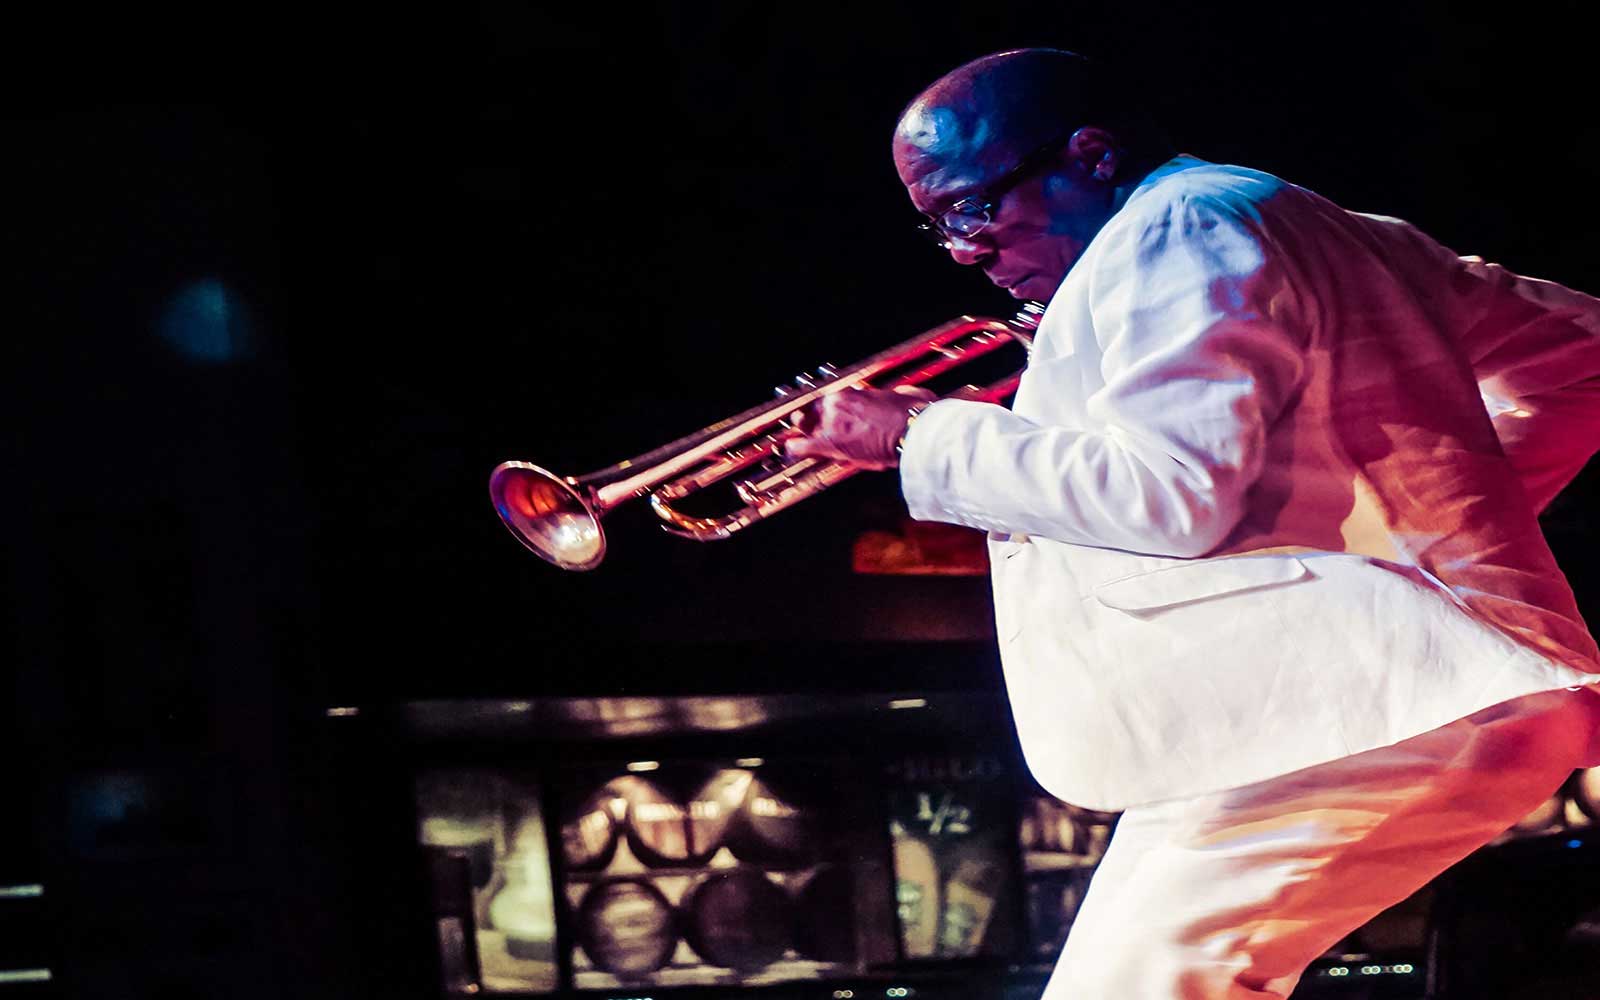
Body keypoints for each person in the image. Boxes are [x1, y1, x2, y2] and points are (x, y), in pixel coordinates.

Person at [785, 47, 1600, 997]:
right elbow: (1583, 363)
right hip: (1336, 690)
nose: (967, 249)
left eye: (973, 207)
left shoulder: (1178, 226)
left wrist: (916, 437)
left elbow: (1166, 495)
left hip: (1403, 692)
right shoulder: (1324, 226)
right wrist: (1388, 525)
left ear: (1091, 154)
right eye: (940, 228)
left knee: (1149, 981)